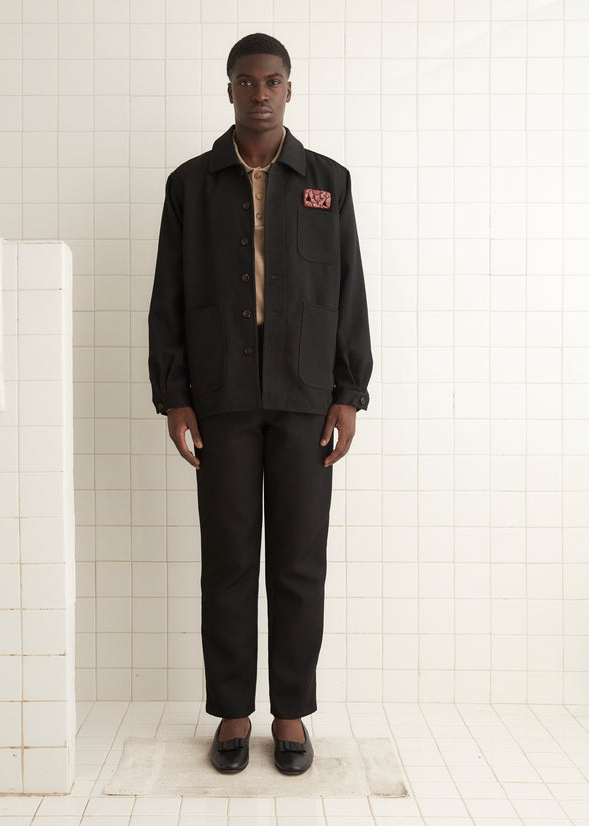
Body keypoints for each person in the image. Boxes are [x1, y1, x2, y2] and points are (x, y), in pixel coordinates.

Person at [148, 33, 372, 775]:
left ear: (288, 87)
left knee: (300, 564)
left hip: (307, 397)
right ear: (229, 89)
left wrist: (348, 392)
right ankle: (234, 712)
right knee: (229, 561)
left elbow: (348, 297)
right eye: (246, 82)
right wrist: (174, 396)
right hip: (222, 398)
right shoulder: (190, 185)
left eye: (272, 80)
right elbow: (169, 301)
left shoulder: (327, 182)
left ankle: (292, 713)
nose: (260, 93)